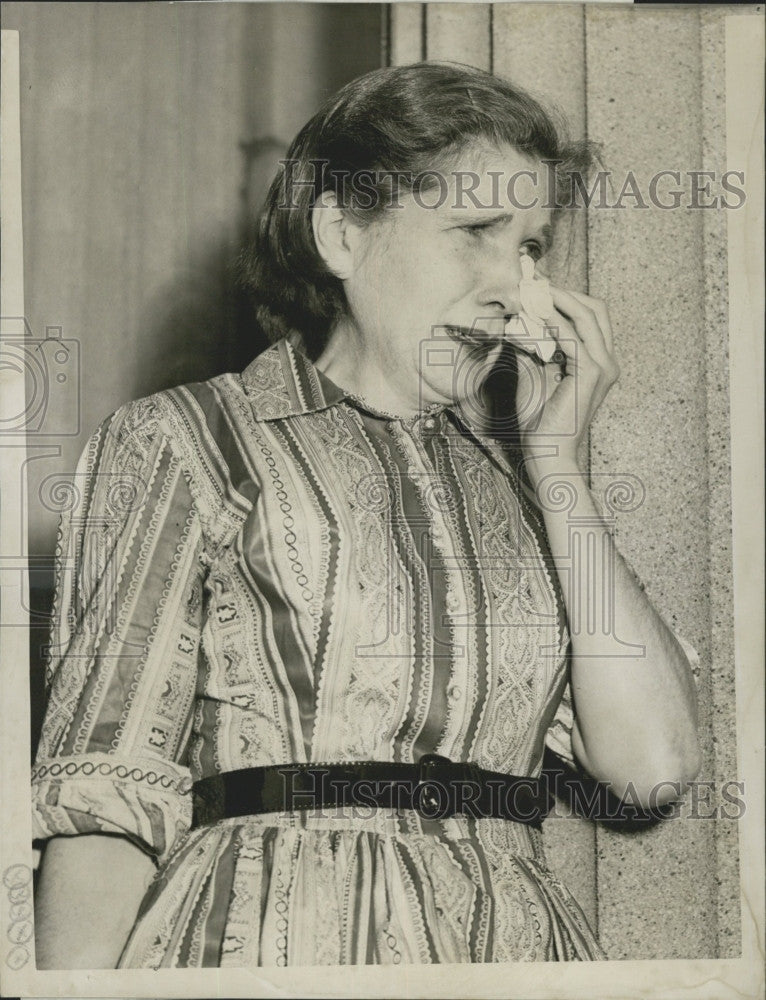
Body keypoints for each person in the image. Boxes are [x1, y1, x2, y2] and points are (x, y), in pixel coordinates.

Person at [32, 61, 700, 968]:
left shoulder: (522, 481)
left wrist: (555, 464)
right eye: (476, 231)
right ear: (342, 232)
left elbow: (653, 766)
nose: (515, 285)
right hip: (271, 948)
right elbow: (104, 796)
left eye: (533, 246)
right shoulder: (188, 440)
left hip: (512, 958)